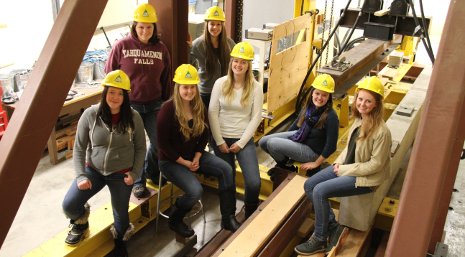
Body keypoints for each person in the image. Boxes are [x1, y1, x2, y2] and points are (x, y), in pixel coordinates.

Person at [294, 76, 392, 255]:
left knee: (320, 191)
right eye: (360, 99)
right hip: (347, 168)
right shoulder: (359, 119)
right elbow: (349, 148)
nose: (362, 104)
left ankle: (320, 238)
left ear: (377, 104)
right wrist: (339, 163)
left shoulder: (382, 132)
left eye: (368, 101)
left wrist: (344, 169)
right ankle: (332, 225)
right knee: (309, 185)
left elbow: (376, 165)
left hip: (365, 179)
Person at [62, 70, 146, 257]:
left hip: (121, 173)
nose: (115, 97)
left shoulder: (134, 118)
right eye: (111, 92)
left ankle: (120, 241)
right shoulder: (90, 115)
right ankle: (81, 223)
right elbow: (79, 148)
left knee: (121, 215)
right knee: (69, 205)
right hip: (94, 171)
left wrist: (134, 174)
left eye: (120, 93)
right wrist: (81, 175)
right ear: (104, 93)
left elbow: (141, 148)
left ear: (125, 96)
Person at [157, 64, 240, 237]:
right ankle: (176, 218)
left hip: (193, 156)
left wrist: (197, 156)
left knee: (226, 169)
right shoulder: (167, 109)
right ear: (178, 87)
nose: (189, 91)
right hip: (171, 161)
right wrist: (184, 162)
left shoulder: (198, 104)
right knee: (195, 191)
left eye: (192, 87)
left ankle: (228, 217)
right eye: (185, 87)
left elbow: (204, 135)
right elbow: (163, 145)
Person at [105, 3, 172, 198]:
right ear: (134, 26)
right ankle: (138, 181)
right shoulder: (122, 46)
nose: (145, 31)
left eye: (149, 27)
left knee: (159, 143)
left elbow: (166, 76)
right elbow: (109, 74)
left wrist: (165, 99)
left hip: (154, 104)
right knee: (134, 146)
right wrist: (114, 104)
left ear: (154, 28)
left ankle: (151, 171)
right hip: (129, 105)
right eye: (141, 27)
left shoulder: (161, 49)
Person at [208, 42, 263, 218]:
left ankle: (250, 212)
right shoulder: (220, 83)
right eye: (236, 61)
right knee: (227, 182)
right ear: (231, 62)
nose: (238, 65)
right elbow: (212, 112)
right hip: (221, 138)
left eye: (243, 62)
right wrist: (219, 141)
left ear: (248, 66)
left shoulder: (256, 87)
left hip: (243, 139)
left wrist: (241, 143)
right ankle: (228, 217)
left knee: (254, 182)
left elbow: (256, 117)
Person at [259, 74, 339, 175]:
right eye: (317, 93)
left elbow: (331, 146)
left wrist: (316, 163)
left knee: (272, 143)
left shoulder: (331, 116)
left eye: (324, 95)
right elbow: (296, 125)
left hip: (312, 152)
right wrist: (285, 145)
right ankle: (285, 164)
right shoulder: (309, 107)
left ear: (329, 97)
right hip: (300, 137)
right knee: (263, 142)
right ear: (312, 93)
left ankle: (284, 168)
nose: (320, 98)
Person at [190, 6, 236, 107]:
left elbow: (236, 63)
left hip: (224, 91)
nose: (215, 27)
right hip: (205, 93)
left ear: (222, 25)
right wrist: (187, 49)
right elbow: (187, 64)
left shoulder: (229, 43)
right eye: (212, 24)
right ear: (207, 25)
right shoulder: (198, 44)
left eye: (218, 24)